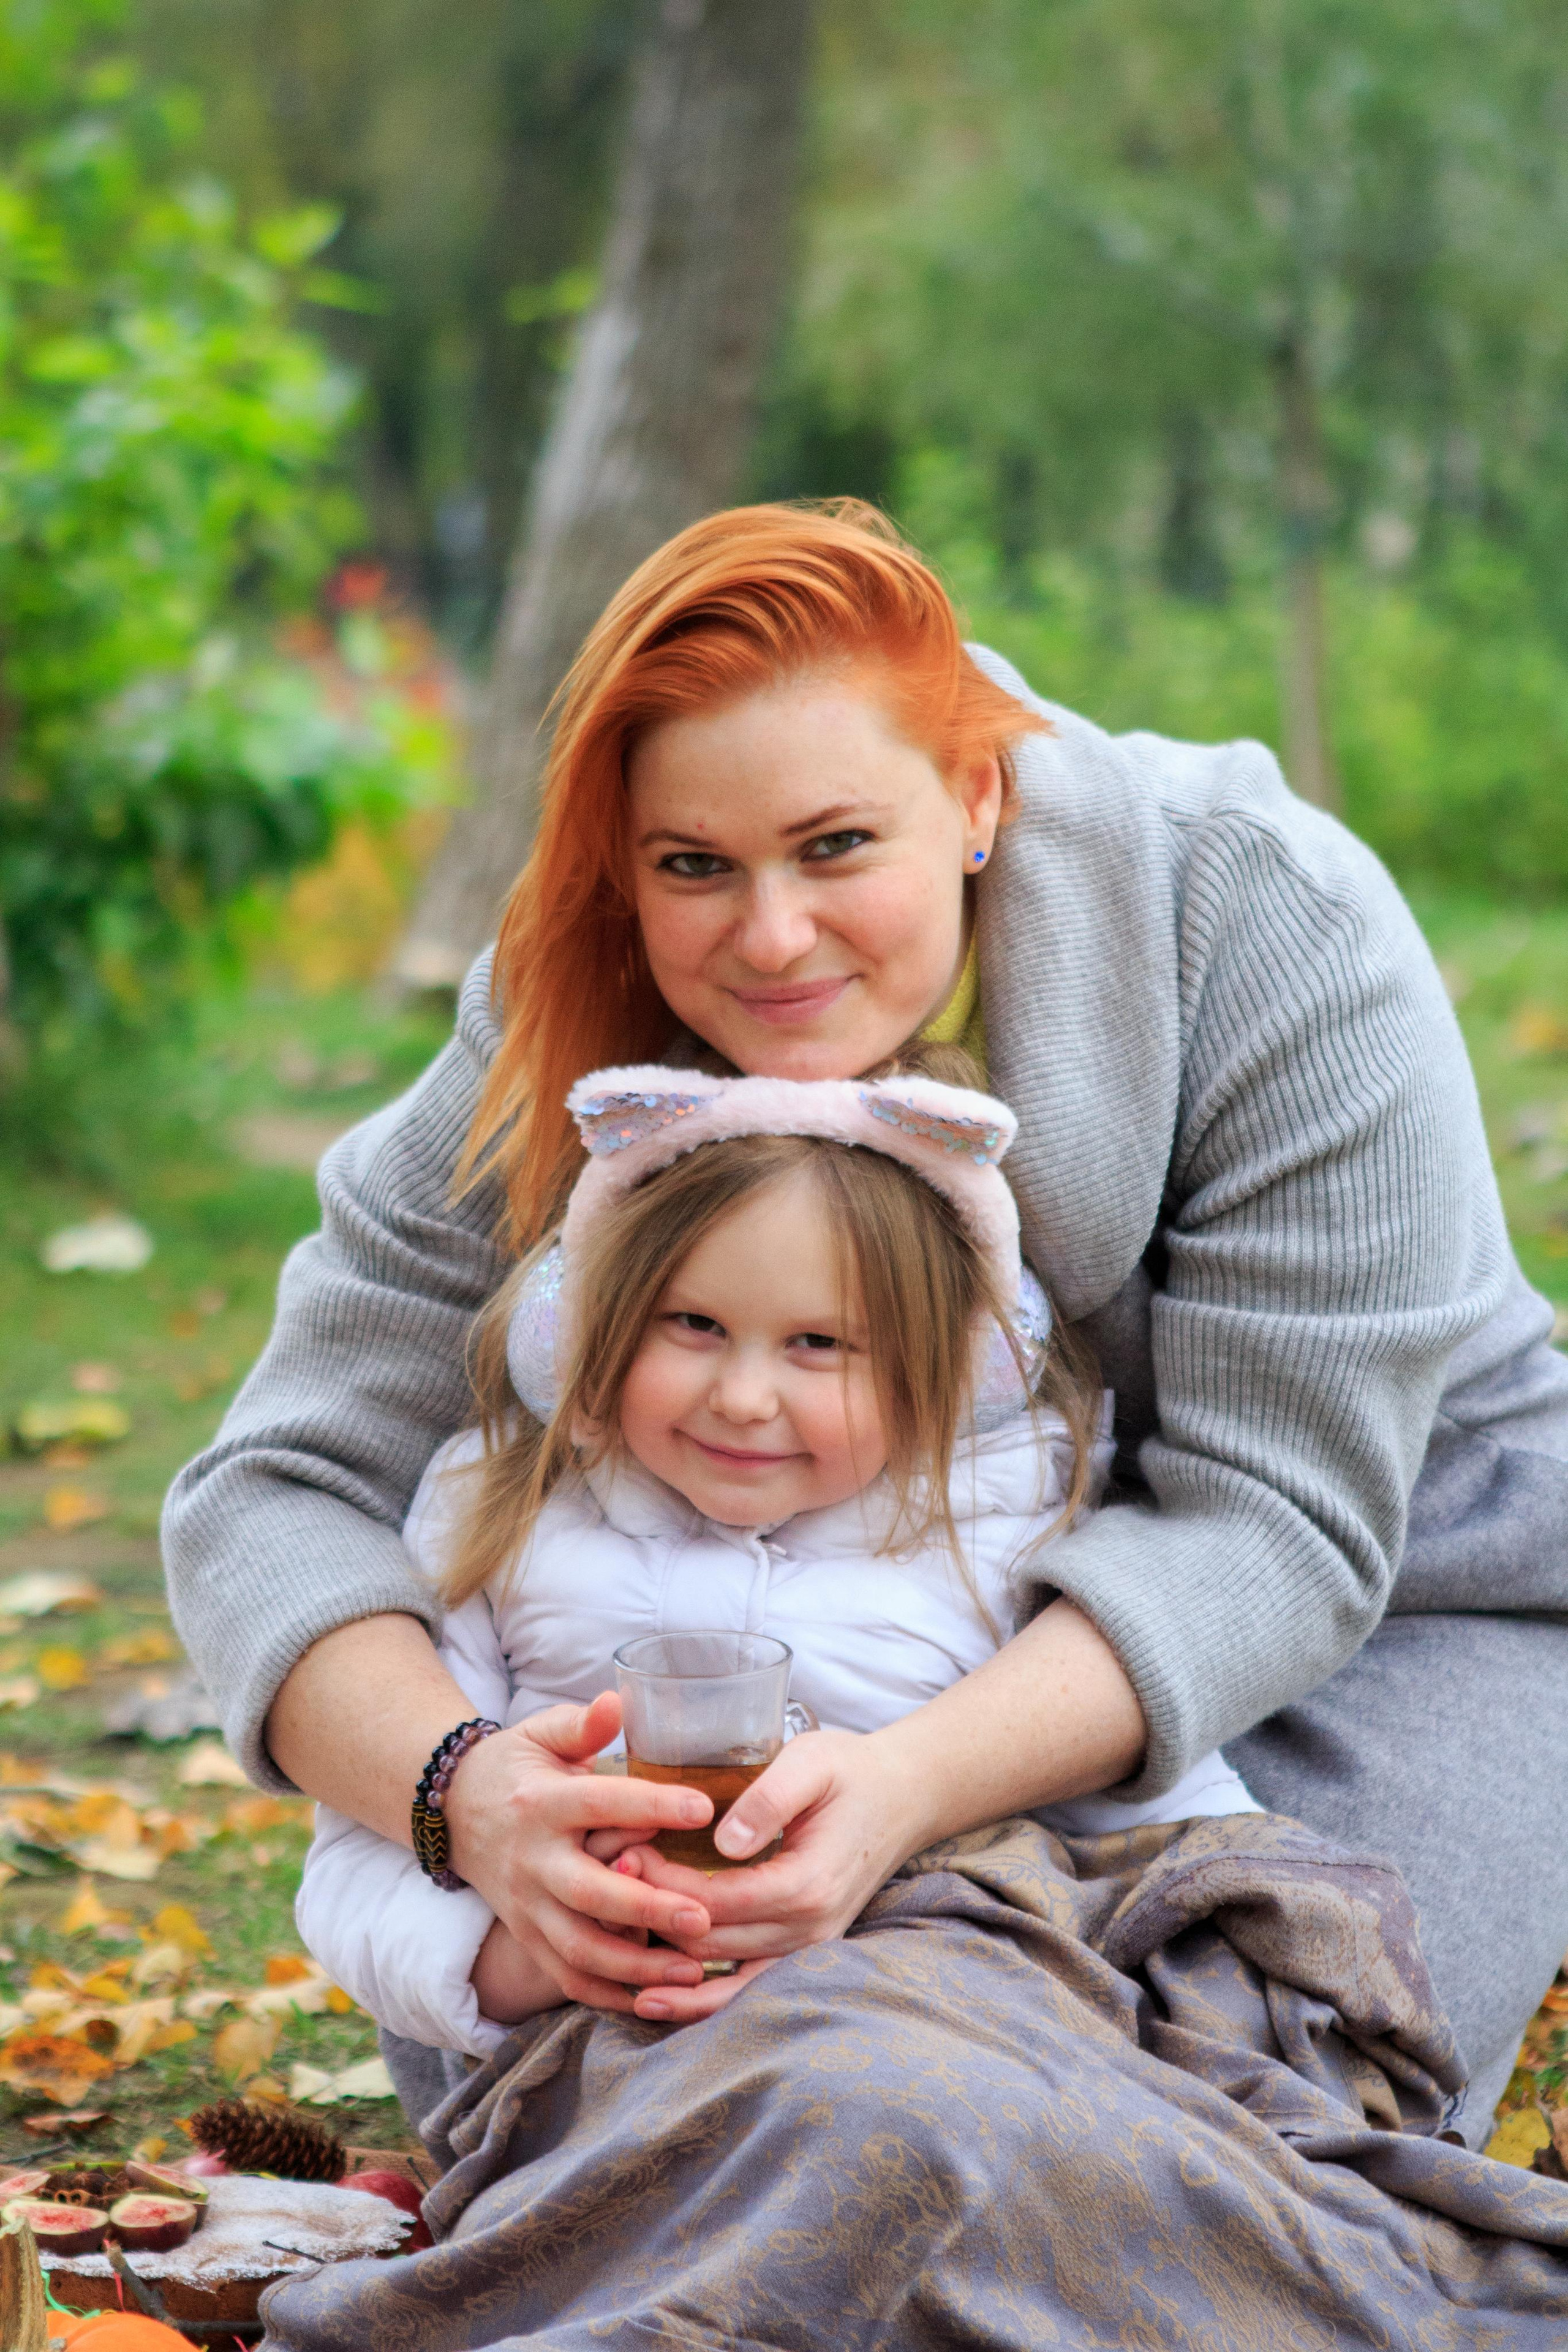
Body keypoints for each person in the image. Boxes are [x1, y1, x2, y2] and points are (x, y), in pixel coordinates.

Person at [164, 499, 1568, 2147]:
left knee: (1248, 2120)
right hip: (816, 1643)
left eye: (835, 848)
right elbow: (276, 1483)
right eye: (693, 867)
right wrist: (469, 1800)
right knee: (633, 2118)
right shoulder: (566, 1004)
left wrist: (902, 1790)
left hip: (1406, 1595)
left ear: (978, 795)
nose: (770, 940)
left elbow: (1280, 1525)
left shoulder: (1267, 920)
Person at [293, 1054, 1258, 2057]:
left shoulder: (1006, 1526)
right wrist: (530, 1957)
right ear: (595, 1327)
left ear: (942, 1371)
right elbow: (366, 1858)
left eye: (821, 1345)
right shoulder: (503, 1518)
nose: (746, 1398)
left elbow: (1176, 1826)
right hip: (597, 2055)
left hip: (956, 2036)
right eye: (695, 1325)